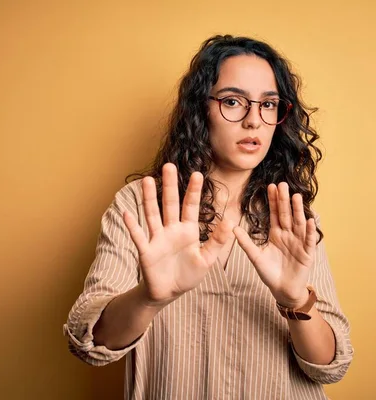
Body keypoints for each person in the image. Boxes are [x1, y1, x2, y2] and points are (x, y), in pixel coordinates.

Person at [64, 34, 354, 399]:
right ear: (200, 109)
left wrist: (296, 302)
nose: (253, 121)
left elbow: (330, 364)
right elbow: (89, 342)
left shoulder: (292, 215)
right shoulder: (141, 204)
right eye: (233, 101)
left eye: (268, 104)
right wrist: (149, 298)